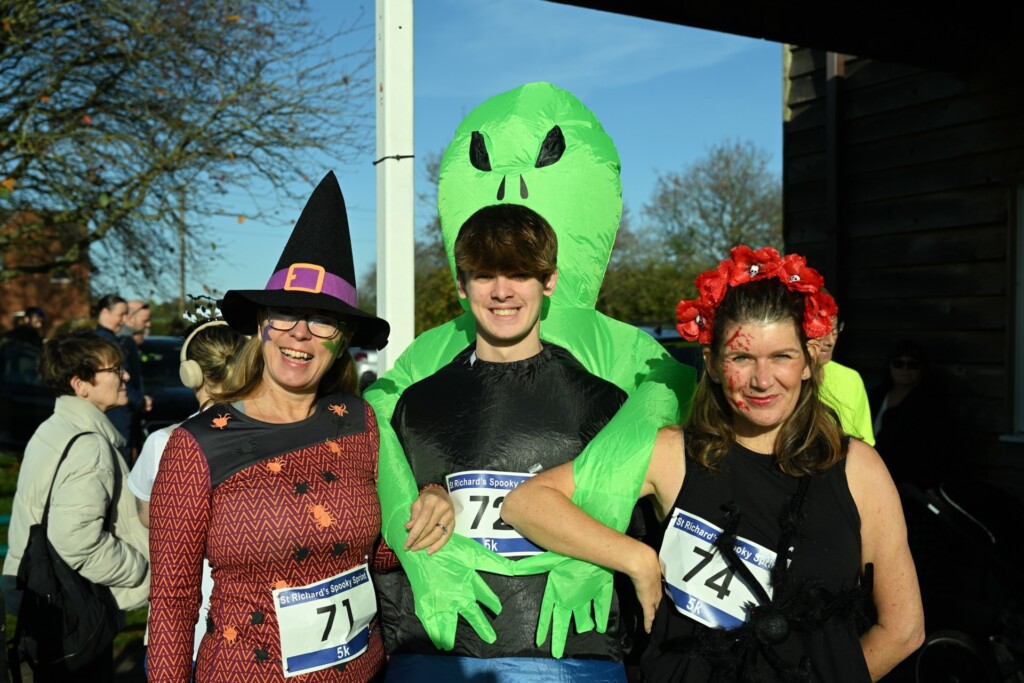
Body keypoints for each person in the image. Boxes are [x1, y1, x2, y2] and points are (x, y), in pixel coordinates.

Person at [502, 245, 925, 682]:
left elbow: (903, 628)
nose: (762, 380)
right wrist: (636, 559)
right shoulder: (671, 454)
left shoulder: (859, 468)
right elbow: (528, 503)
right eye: (741, 358)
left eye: (782, 356)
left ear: (808, 361)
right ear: (714, 365)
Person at [145, 171, 452, 682]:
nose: (300, 335)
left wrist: (433, 500)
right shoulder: (195, 445)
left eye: (322, 321)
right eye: (285, 314)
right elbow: (174, 603)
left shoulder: (359, 422)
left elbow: (375, 549)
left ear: (342, 339)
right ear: (262, 324)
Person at [377, 204, 632, 682]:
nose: (501, 291)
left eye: (519, 273)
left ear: (549, 281)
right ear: (461, 285)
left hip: (572, 657)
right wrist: (429, 491)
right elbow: (382, 534)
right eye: (484, 275)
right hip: (440, 656)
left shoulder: (605, 404)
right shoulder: (417, 404)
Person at [2, 331, 151, 681]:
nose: (125, 376)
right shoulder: (90, 446)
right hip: (77, 609)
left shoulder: (53, 428)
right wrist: (139, 569)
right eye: (115, 369)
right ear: (80, 385)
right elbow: (75, 539)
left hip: (45, 600)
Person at [128, 312, 246, 668]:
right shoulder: (277, 440)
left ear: (190, 373)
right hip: (253, 636)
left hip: (182, 631)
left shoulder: (162, 444)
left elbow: (149, 517)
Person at [869, 340, 952, 492]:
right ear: (889, 366)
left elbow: (934, 449)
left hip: (906, 483)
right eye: (898, 363)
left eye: (913, 364)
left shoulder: (930, 404)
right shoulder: (875, 396)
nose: (905, 369)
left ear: (922, 369)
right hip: (871, 473)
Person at [94, 294, 147, 464]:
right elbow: (120, 382)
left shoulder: (113, 340)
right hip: (116, 420)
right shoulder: (106, 344)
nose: (124, 320)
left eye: (127, 315)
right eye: (121, 315)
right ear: (104, 312)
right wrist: (141, 401)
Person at [818, 307, 875, 445]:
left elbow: (863, 446)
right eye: (821, 330)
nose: (830, 341)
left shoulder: (851, 379)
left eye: (835, 329)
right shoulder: (779, 378)